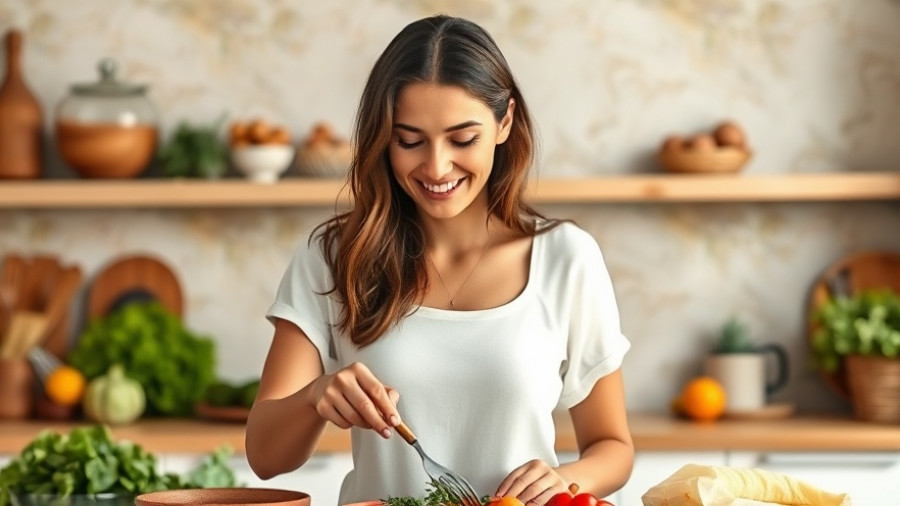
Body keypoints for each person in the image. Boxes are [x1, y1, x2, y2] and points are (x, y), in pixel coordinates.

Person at [245, 14, 634, 506]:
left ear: (505, 123)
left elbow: (613, 448)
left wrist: (566, 479)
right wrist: (315, 396)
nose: (435, 167)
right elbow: (264, 456)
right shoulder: (334, 257)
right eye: (409, 140)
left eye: (462, 139)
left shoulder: (567, 259)